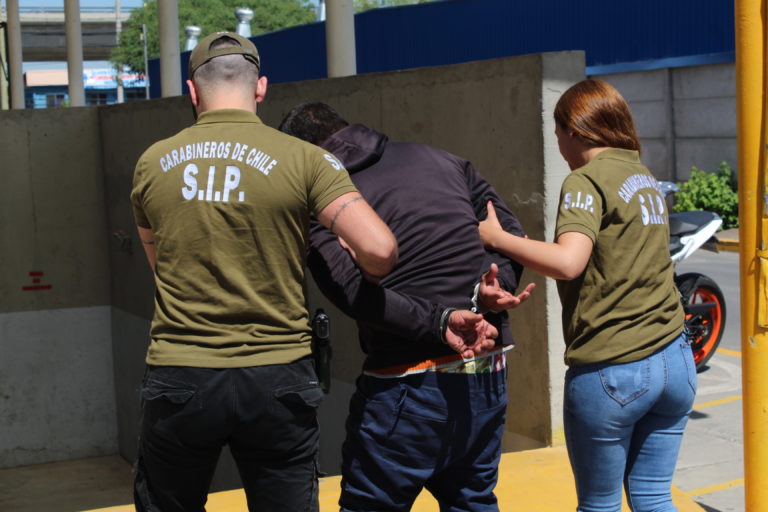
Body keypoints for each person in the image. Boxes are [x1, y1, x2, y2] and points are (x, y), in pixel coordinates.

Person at [129, 33, 398, 512]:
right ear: (262, 88)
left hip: (182, 374)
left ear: (192, 93)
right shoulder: (307, 160)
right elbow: (379, 251)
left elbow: (161, 267)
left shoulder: (151, 163)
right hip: (277, 377)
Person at [279, 102, 535, 512]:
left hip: (407, 384)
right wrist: (494, 287)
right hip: (486, 375)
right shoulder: (443, 159)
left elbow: (353, 293)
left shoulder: (322, 201)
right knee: (474, 502)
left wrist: (438, 321)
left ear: (306, 155)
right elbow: (508, 233)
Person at [479, 79, 695, 512]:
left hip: (614, 370)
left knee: (599, 505)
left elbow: (568, 261)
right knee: (653, 498)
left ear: (575, 130)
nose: (558, 142)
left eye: (558, 132)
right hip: (675, 362)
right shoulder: (644, 176)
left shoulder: (585, 181)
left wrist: (496, 237)